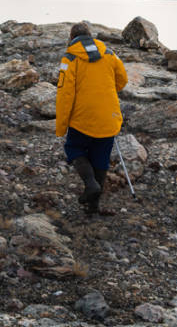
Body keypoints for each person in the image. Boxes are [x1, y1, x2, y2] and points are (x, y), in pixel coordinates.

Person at [55, 22, 128, 214]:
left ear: (71, 38)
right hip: (108, 117)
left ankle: (90, 184)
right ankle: (93, 206)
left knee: (75, 148)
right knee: (101, 158)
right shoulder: (109, 54)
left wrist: (61, 126)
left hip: (82, 118)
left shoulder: (69, 59)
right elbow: (122, 80)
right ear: (91, 36)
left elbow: (65, 95)